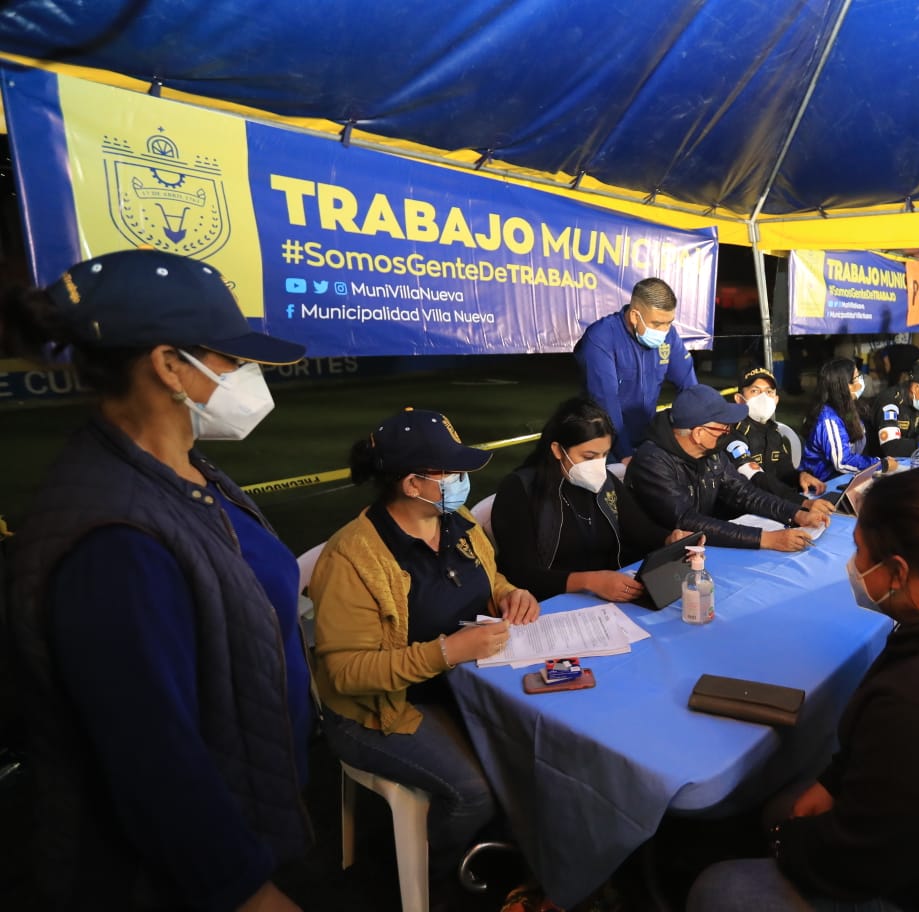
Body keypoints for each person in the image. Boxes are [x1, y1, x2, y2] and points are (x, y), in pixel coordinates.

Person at [4, 250, 312, 910]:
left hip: (251, 807)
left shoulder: (185, 471)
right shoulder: (111, 539)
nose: (247, 376)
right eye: (233, 359)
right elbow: (151, 758)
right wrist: (247, 891)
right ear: (171, 366)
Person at [686, 469, 919, 912]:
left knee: (723, 889)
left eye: (858, 552)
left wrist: (787, 842)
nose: (852, 567)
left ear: (896, 572)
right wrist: (832, 783)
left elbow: (853, 866)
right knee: (786, 802)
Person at [310, 408, 541, 899]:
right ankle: (436, 879)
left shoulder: (456, 521)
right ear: (412, 484)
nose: (461, 482)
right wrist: (446, 652)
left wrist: (508, 595)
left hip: (460, 679)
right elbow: (347, 673)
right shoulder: (352, 557)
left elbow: (490, 578)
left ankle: (501, 850)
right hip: (379, 711)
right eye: (451, 473)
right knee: (474, 789)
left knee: (530, 746)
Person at [493, 397, 695, 602]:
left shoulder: (606, 483)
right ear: (557, 450)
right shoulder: (520, 490)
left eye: (605, 455)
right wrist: (590, 581)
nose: (598, 465)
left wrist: (671, 539)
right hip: (548, 604)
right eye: (588, 457)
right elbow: (521, 573)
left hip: (607, 596)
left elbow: (640, 530)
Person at [627, 384, 829, 550]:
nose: (729, 432)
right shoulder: (652, 462)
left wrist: (796, 512)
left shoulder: (710, 452)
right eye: (724, 427)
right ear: (698, 433)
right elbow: (686, 520)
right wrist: (766, 539)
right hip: (653, 559)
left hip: (701, 546)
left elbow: (745, 492)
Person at [573, 277, 697, 461]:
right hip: (602, 442)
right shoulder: (601, 338)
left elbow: (690, 386)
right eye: (656, 324)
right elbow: (606, 401)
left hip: (646, 436)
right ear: (634, 315)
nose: (664, 331)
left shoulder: (669, 335)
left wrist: (698, 427)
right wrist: (625, 454)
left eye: (669, 323)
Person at [721, 366, 836, 507]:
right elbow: (755, 478)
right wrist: (801, 502)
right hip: (742, 512)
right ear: (739, 399)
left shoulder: (773, 432)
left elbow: (784, 469)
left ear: (776, 400)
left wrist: (800, 476)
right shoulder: (732, 434)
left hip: (773, 506)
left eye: (769, 392)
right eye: (755, 391)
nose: (763, 397)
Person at [800, 358, 896, 481]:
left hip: (847, 476)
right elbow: (842, 462)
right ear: (845, 385)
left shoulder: (848, 408)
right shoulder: (828, 419)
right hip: (824, 482)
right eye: (856, 378)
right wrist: (880, 465)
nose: (861, 381)